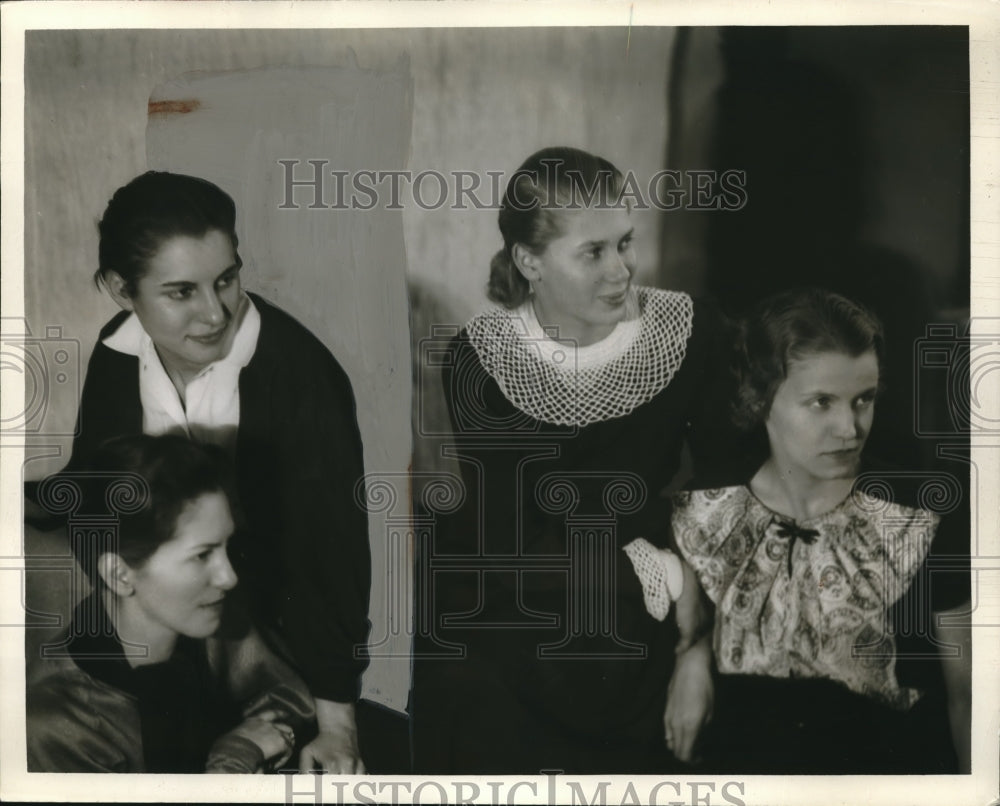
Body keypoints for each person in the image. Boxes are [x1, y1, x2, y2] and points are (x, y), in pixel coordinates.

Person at [413, 147, 737, 773]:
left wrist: (698, 641)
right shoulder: (480, 360)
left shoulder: (690, 331)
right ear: (530, 261)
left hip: (661, 594)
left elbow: (726, 490)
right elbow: (508, 539)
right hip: (526, 591)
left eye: (625, 243)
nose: (621, 270)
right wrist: (653, 571)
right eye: (593, 252)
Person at [56, 171, 370, 772]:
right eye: (181, 292)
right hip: (157, 646)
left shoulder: (301, 375)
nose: (215, 312)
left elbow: (331, 556)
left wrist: (337, 723)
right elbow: (95, 498)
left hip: (273, 663)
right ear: (123, 290)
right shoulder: (116, 352)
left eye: (226, 280)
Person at [671, 288, 972, 773]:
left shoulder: (925, 515)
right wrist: (693, 657)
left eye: (863, 400)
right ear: (760, 398)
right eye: (821, 403)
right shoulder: (706, 512)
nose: (850, 429)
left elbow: (971, 699)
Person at [27, 434, 315, 773]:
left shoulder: (214, 625)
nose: (229, 577)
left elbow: (288, 700)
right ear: (119, 574)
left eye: (227, 546)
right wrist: (236, 755)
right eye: (202, 555)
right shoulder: (53, 725)